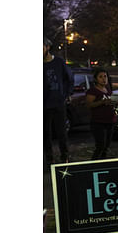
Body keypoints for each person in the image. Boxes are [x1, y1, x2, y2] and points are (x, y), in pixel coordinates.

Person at [44, 37, 74, 166]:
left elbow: (69, 78)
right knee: (45, 133)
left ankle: (64, 157)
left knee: (61, 132)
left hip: (58, 102)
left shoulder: (59, 62)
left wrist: (67, 94)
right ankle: (49, 159)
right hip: (43, 104)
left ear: (47, 47)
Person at [85, 68, 117, 160]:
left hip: (110, 121)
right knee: (100, 146)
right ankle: (93, 165)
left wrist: (114, 102)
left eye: (105, 76)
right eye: (100, 77)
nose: (103, 79)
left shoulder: (108, 90)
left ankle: (103, 164)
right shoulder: (93, 91)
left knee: (106, 146)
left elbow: (110, 102)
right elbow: (89, 105)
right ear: (96, 79)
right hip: (98, 122)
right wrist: (101, 102)